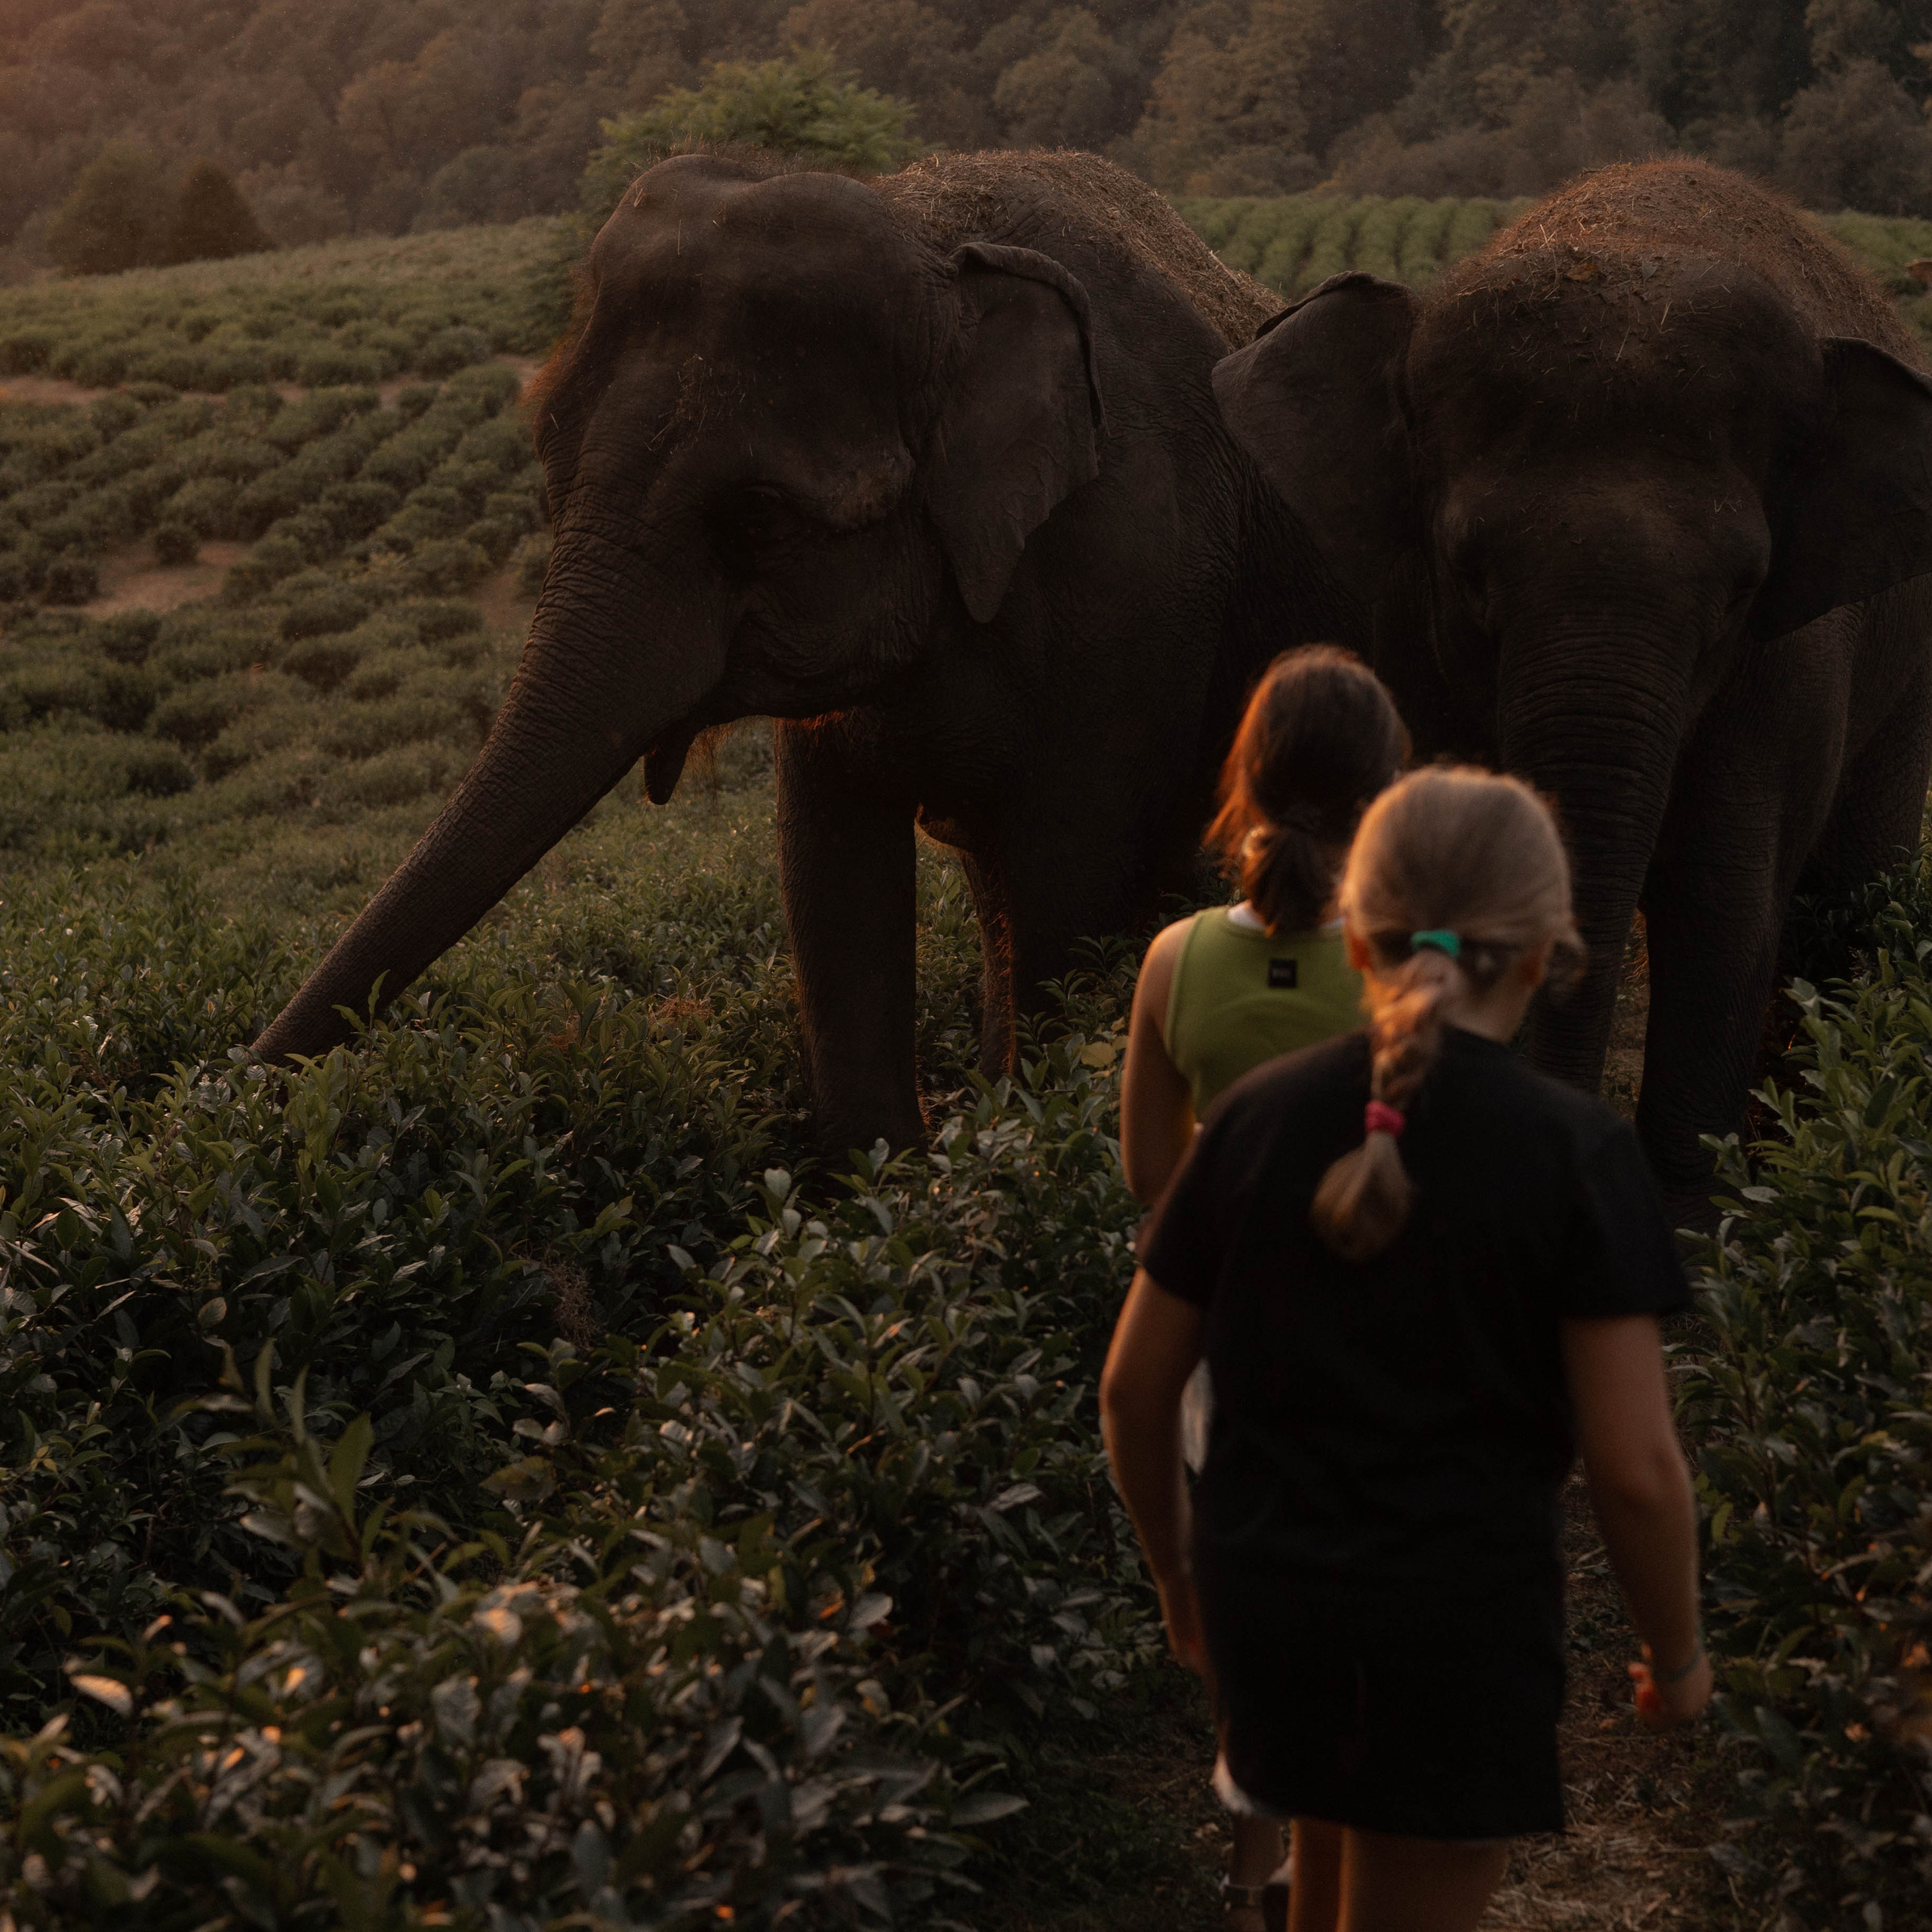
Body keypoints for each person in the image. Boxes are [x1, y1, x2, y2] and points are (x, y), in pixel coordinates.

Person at [1101, 767, 1709, 1932]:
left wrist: (1182, 1577)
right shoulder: (1573, 1153)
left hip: (1269, 1611)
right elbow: (1635, 1466)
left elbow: (1135, 1389)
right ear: (1540, 955)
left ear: (1360, 944)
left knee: (1322, 1886)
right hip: (1456, 1636)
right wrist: (1676, 1655)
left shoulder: (1251, 1122)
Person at [1118, 645, 1407, 1931]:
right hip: (1396, 1328)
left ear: (1247, 782)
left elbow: (1147, 1171)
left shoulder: (1175, 960)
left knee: (1252, 1597)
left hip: (1231, 1330)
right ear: (1386, 790)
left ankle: (1253, 1874)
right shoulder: (1414, 959)